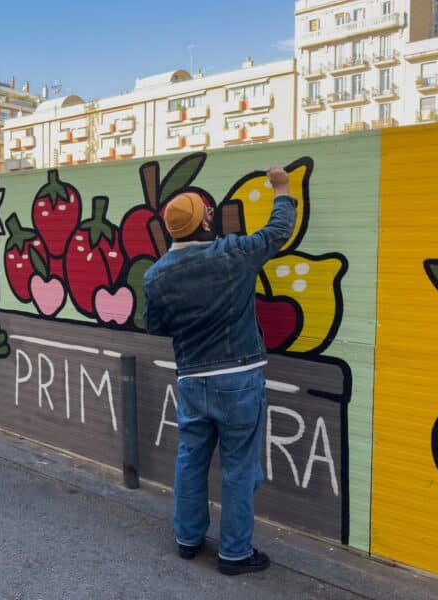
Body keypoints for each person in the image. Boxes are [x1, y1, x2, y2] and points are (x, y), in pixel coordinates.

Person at [143, 166, 297, 576]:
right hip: (239, 380)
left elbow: (155, 325)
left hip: (192, 380)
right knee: (239, 468)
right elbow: (279, 229)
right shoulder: (234, 254)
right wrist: (281, 187)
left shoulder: (156, 276)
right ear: (205, 221)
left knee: (190, 461)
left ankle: (188, 539)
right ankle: (234, 553)